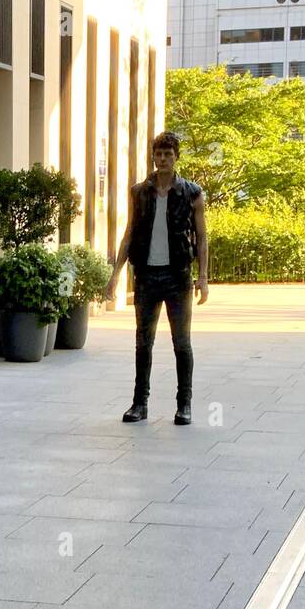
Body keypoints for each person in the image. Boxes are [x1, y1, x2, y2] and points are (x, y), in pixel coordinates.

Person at [105, 131, 208, 425]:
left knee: (181, 343)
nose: (162, 159)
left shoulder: (192, 192)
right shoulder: (140, 192)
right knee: (143, 343)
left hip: (178, 277)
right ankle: (140, 403)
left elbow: (202, 237)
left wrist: (203, 277)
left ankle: (184, 404)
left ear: (176, 157)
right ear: (153, 156)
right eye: (158, 154)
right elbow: (129, 233)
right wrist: (116, 274)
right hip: (147, 277)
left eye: (168, 154)